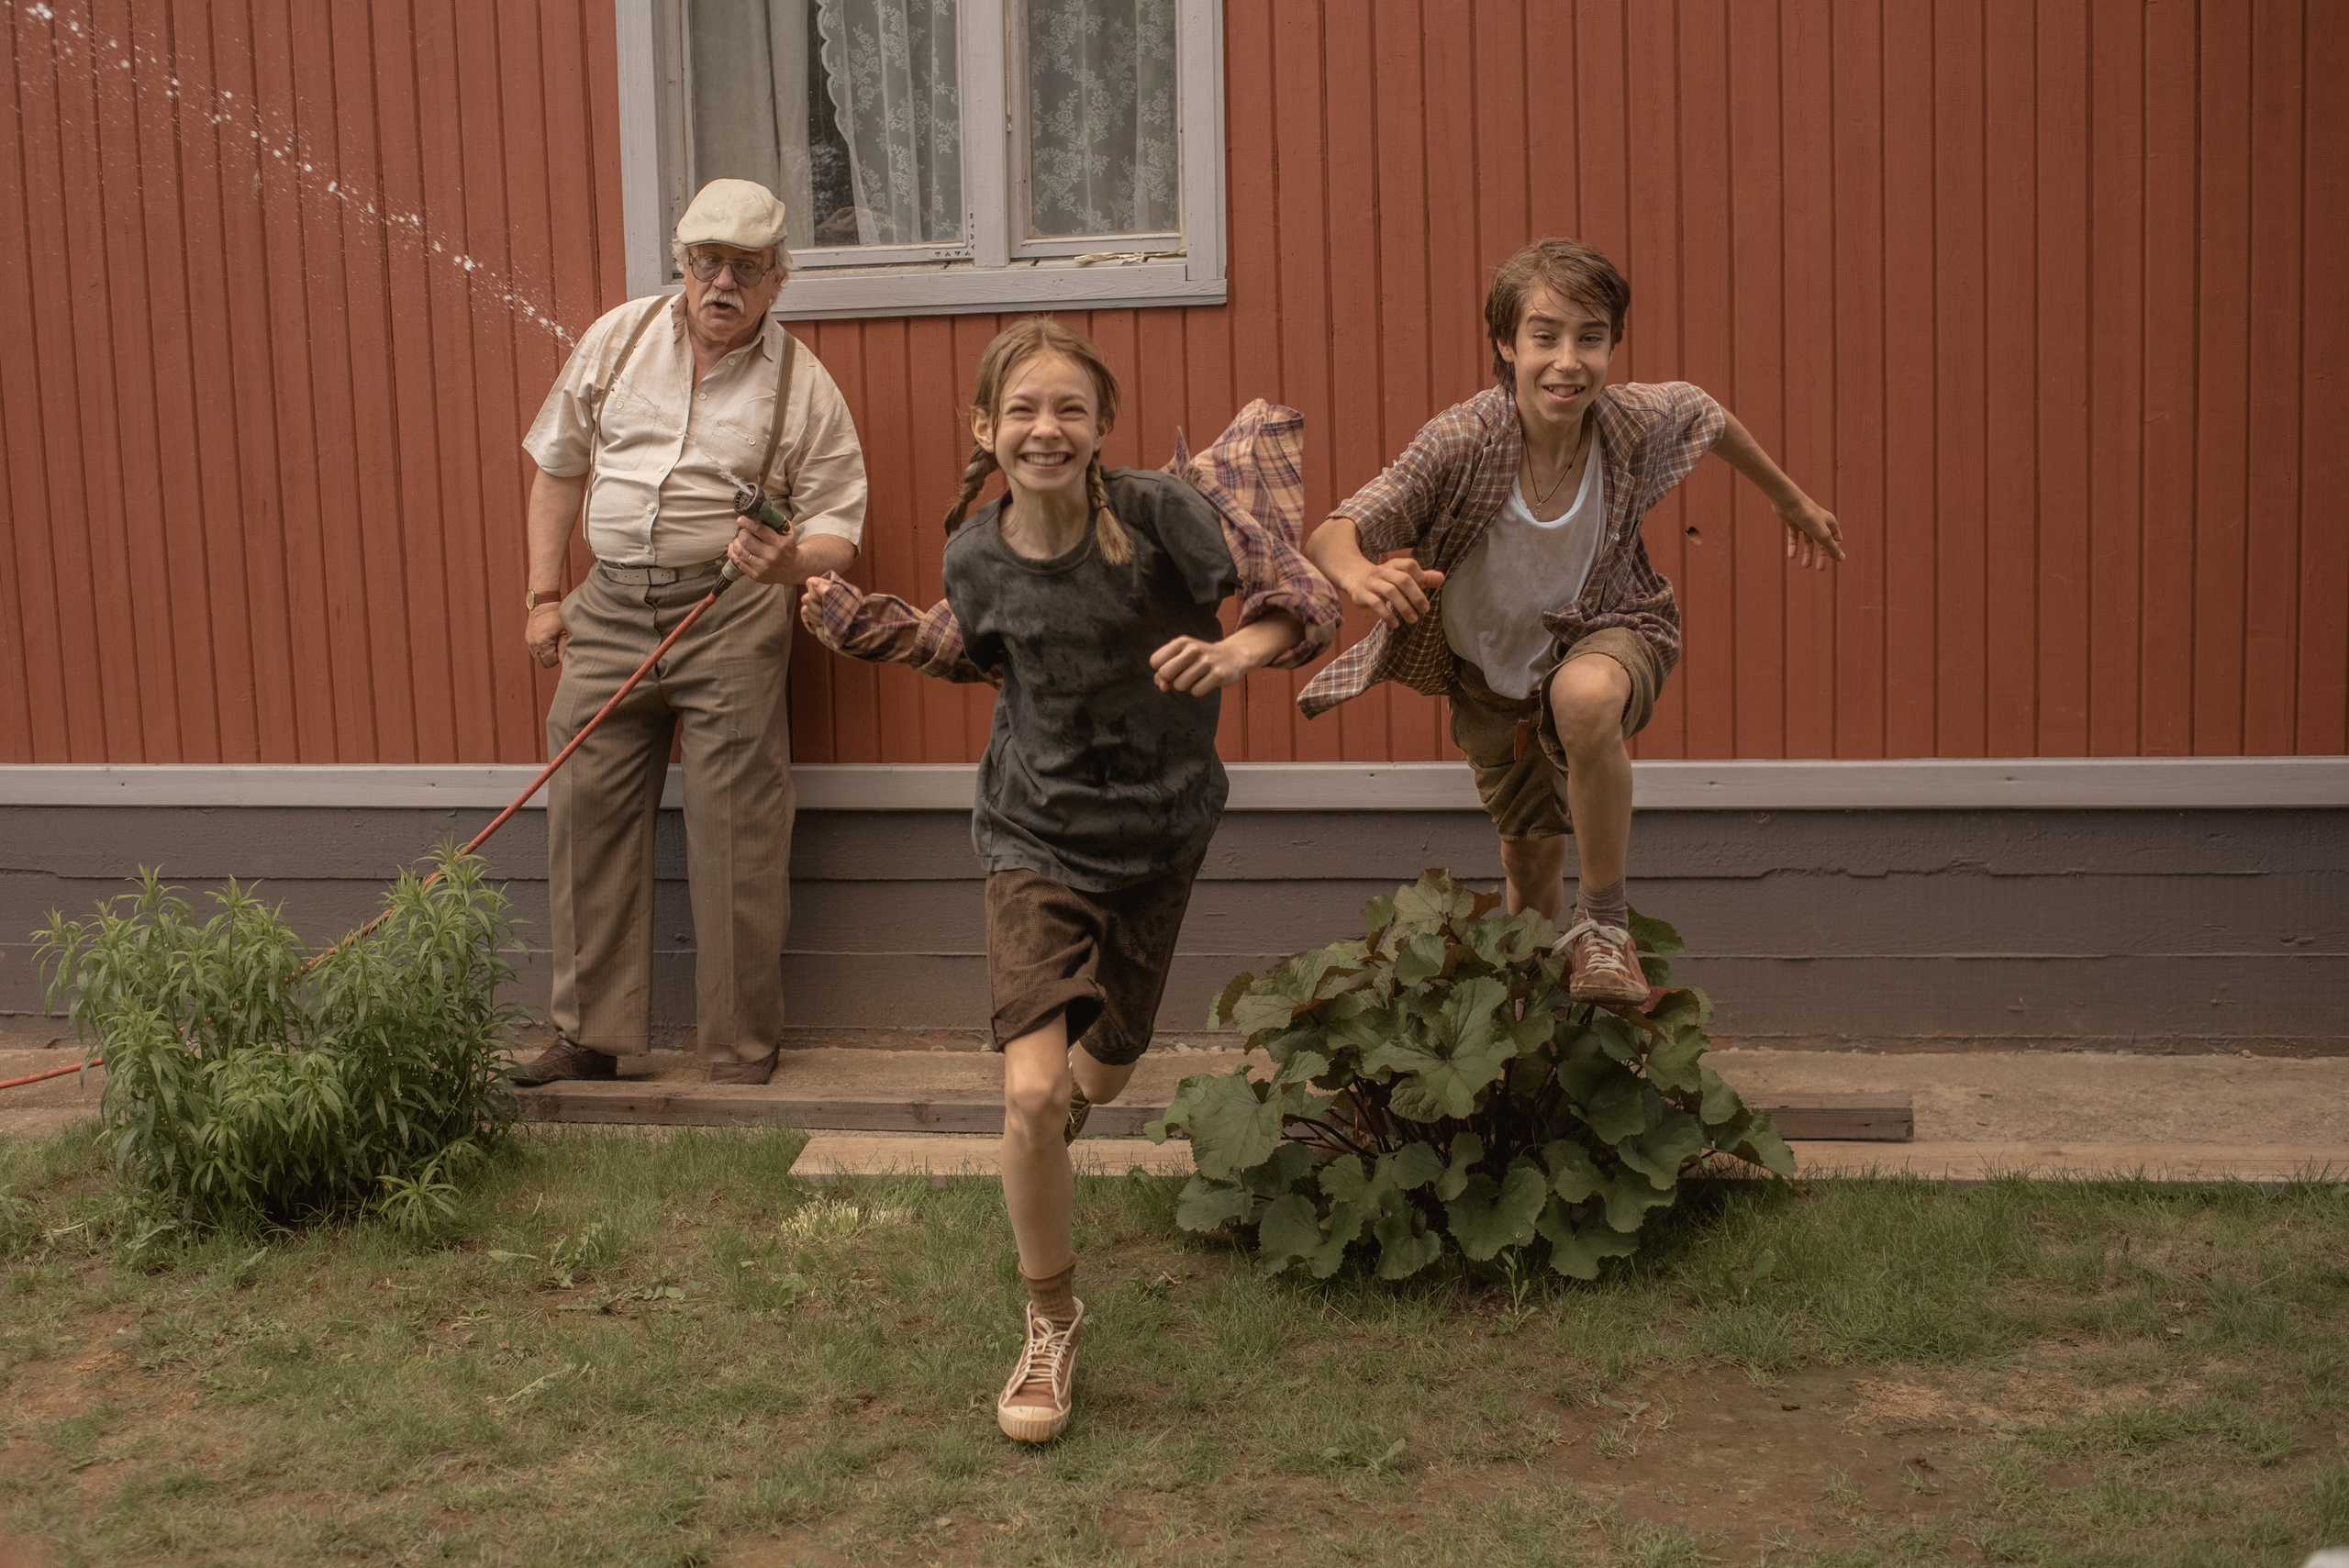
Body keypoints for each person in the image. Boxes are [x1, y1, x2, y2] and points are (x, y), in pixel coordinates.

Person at [798, 318, 1341, 1442]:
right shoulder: (971, 554)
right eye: (1023, 411)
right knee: (1034, 1093)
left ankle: (1057, 1125)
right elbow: (987, 648)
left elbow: (1306, 599)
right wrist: (875, 630)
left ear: (1103, 425)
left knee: (1102, 1074)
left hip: (1161, 830)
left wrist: (1236, 652)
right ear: (985, 428)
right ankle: (1050, 1320)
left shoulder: (1159, 519)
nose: (1046, 428)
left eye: (1070, 409)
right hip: (1031, 829)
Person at [1298, 237, 1844, 1003]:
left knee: (1585, 699)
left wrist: (1789, 500)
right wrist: (1360, 574)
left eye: (1590, 339)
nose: (1568, 362)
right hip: (1493, 688)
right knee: (1528, 865)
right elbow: (1336, 529)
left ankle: (1607, 927)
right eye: (1545, 336)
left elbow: (1707, 415)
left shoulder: (1624, 424)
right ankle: (1534, 1019)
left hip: (1615, 625)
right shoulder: (1463, 441)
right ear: (1505, 343)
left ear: (1612, 344)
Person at [510, 179, 867, 1088]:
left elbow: (838, 524)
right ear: (681, 264)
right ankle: (587, 1037)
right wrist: (544, 598)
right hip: (608, 608)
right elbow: (558, 467)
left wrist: (789, 562)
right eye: (708, 262)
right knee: (584, 815)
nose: (723, 284)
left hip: (730, 616)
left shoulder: (804, 385)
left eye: (746, 268)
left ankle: (740, 1050)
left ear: (779, 278)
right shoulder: (617, 339)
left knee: (738, 834)